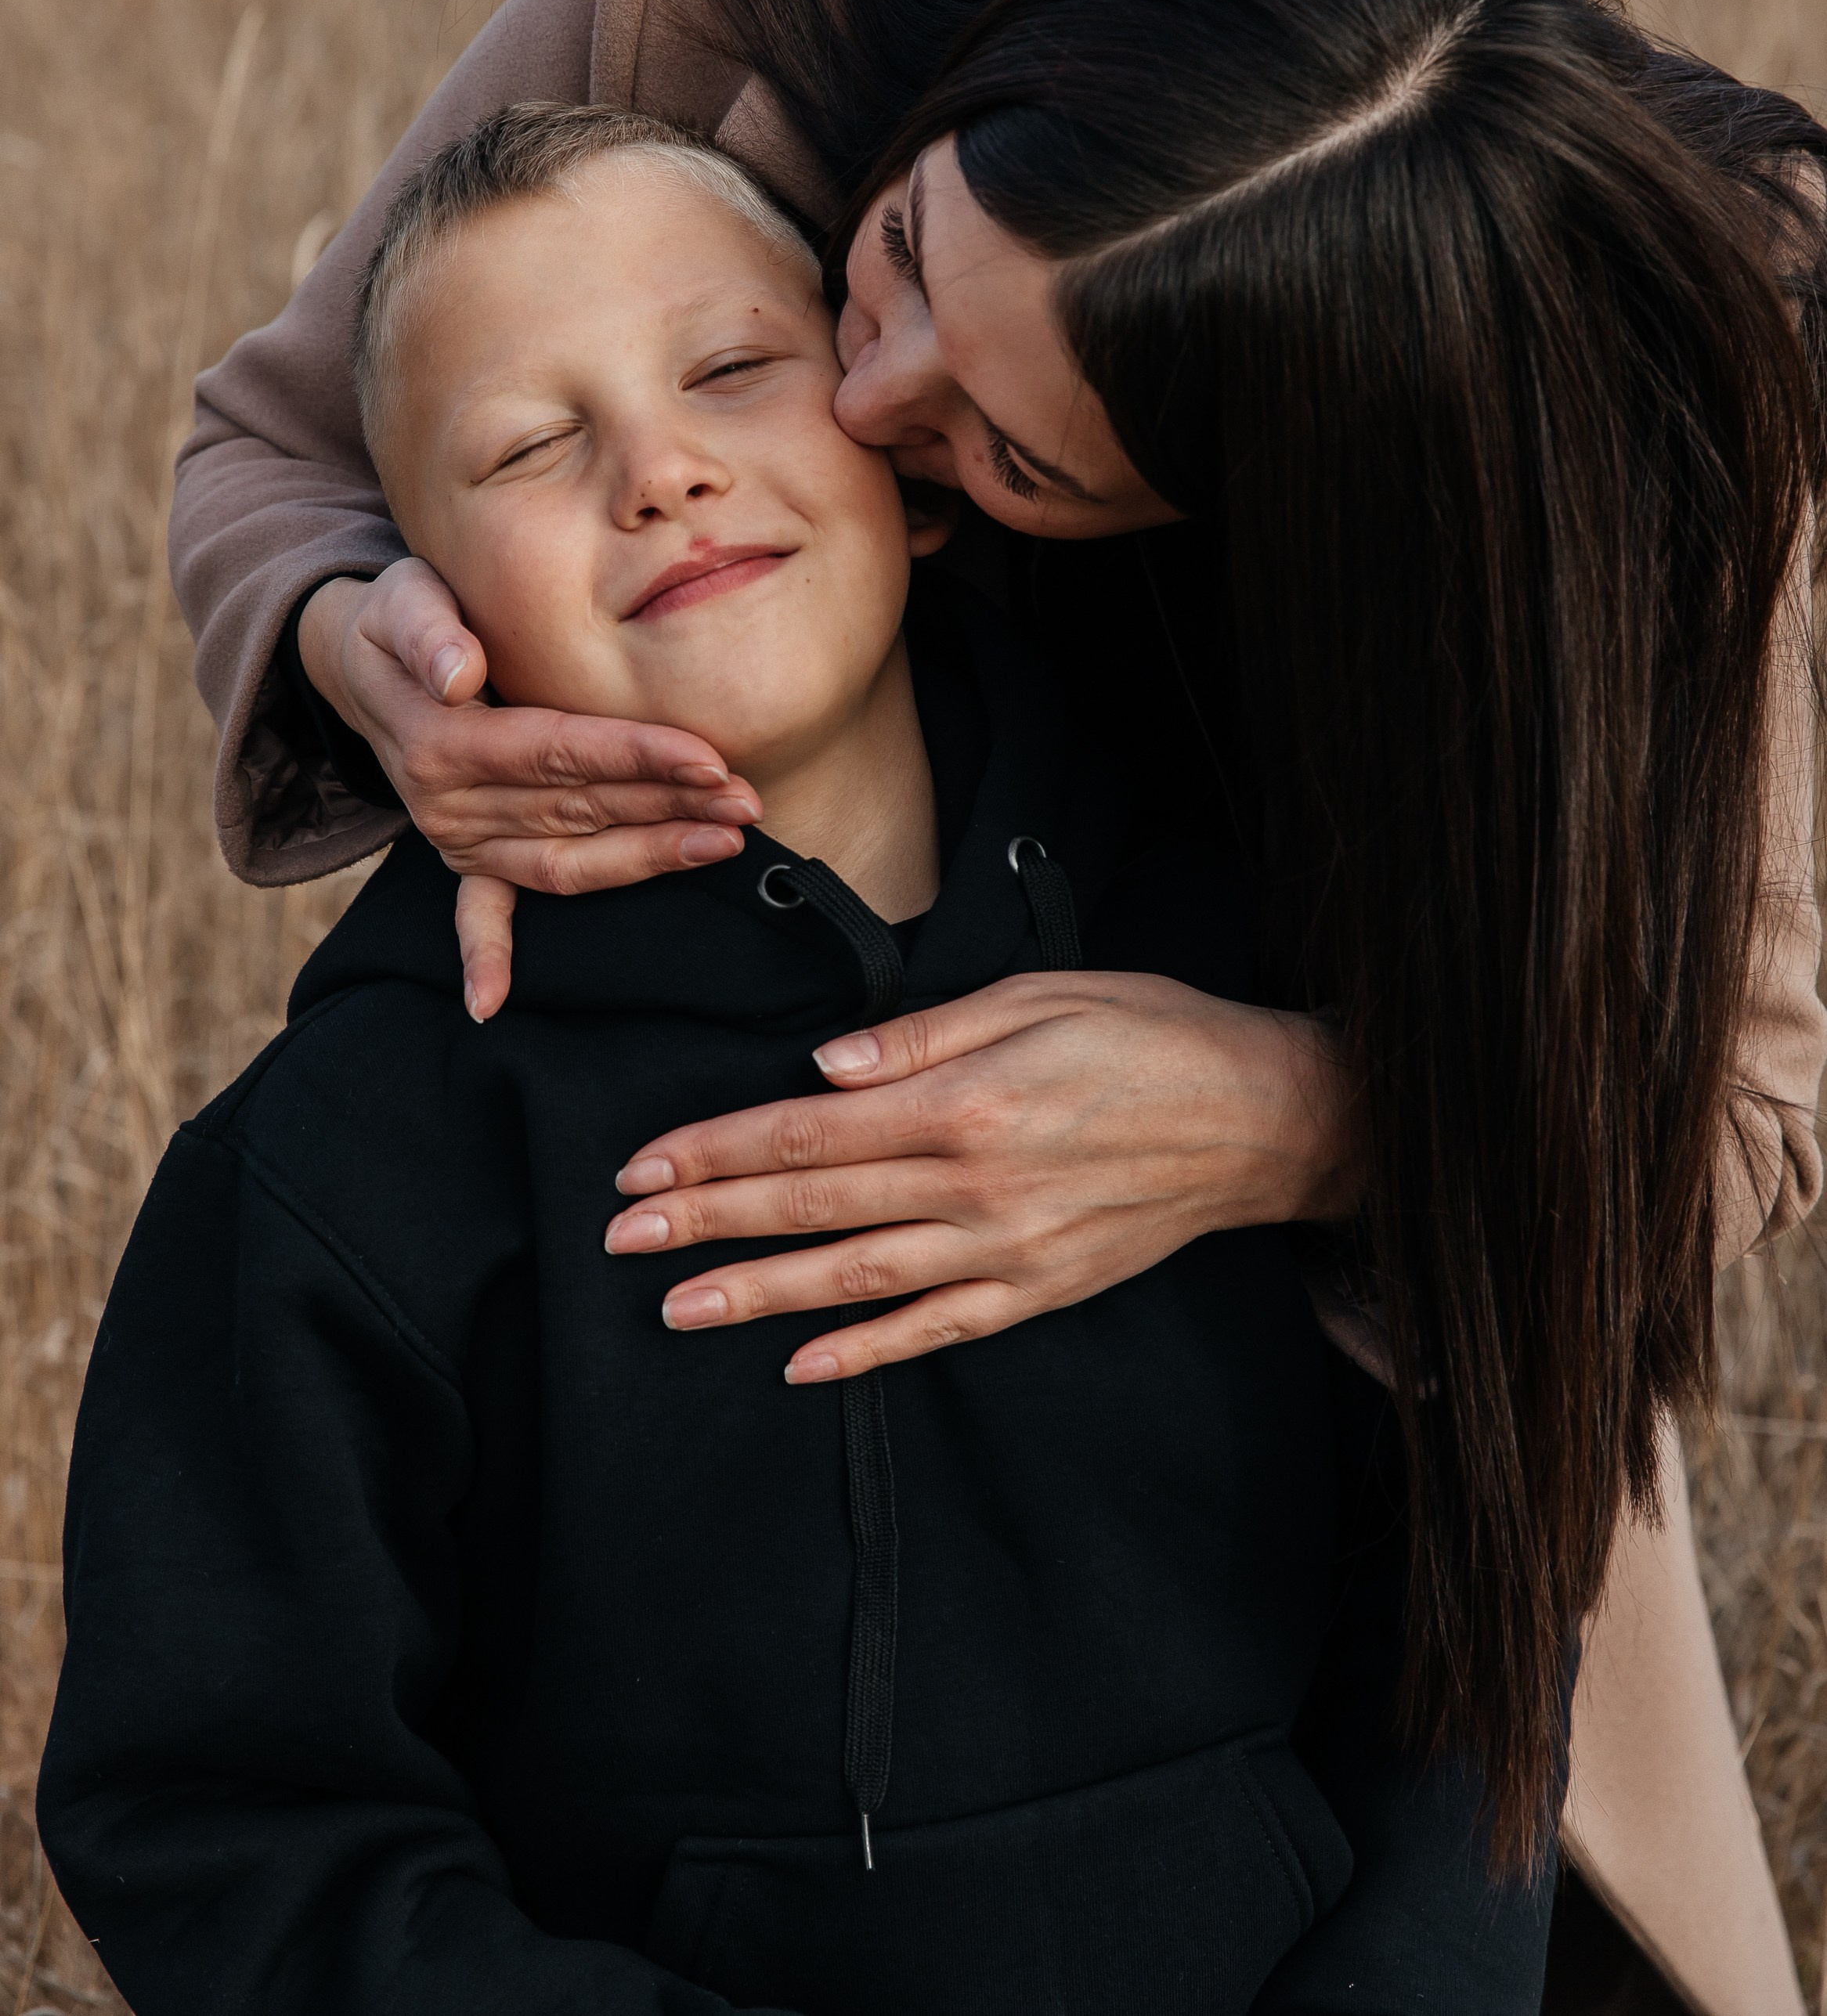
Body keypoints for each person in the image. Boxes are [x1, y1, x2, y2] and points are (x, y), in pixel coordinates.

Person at [168, 0, 1825, 2007]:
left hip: (1379, 1438)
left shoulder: (1614, 403)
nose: (858, 405)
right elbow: (296, 435)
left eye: (1003, 453)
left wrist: (1277, 1111)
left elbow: (1722, 1095)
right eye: (896, 250)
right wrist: (380, 651)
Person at [39, 103, 1557, 2016]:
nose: (660, 471)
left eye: (735, 370)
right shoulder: (351, 1163)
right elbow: (230, 1821)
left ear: (918, 464)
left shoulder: (1247, 973)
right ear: (425, 630)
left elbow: (1474, 1611)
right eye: (527, 444)